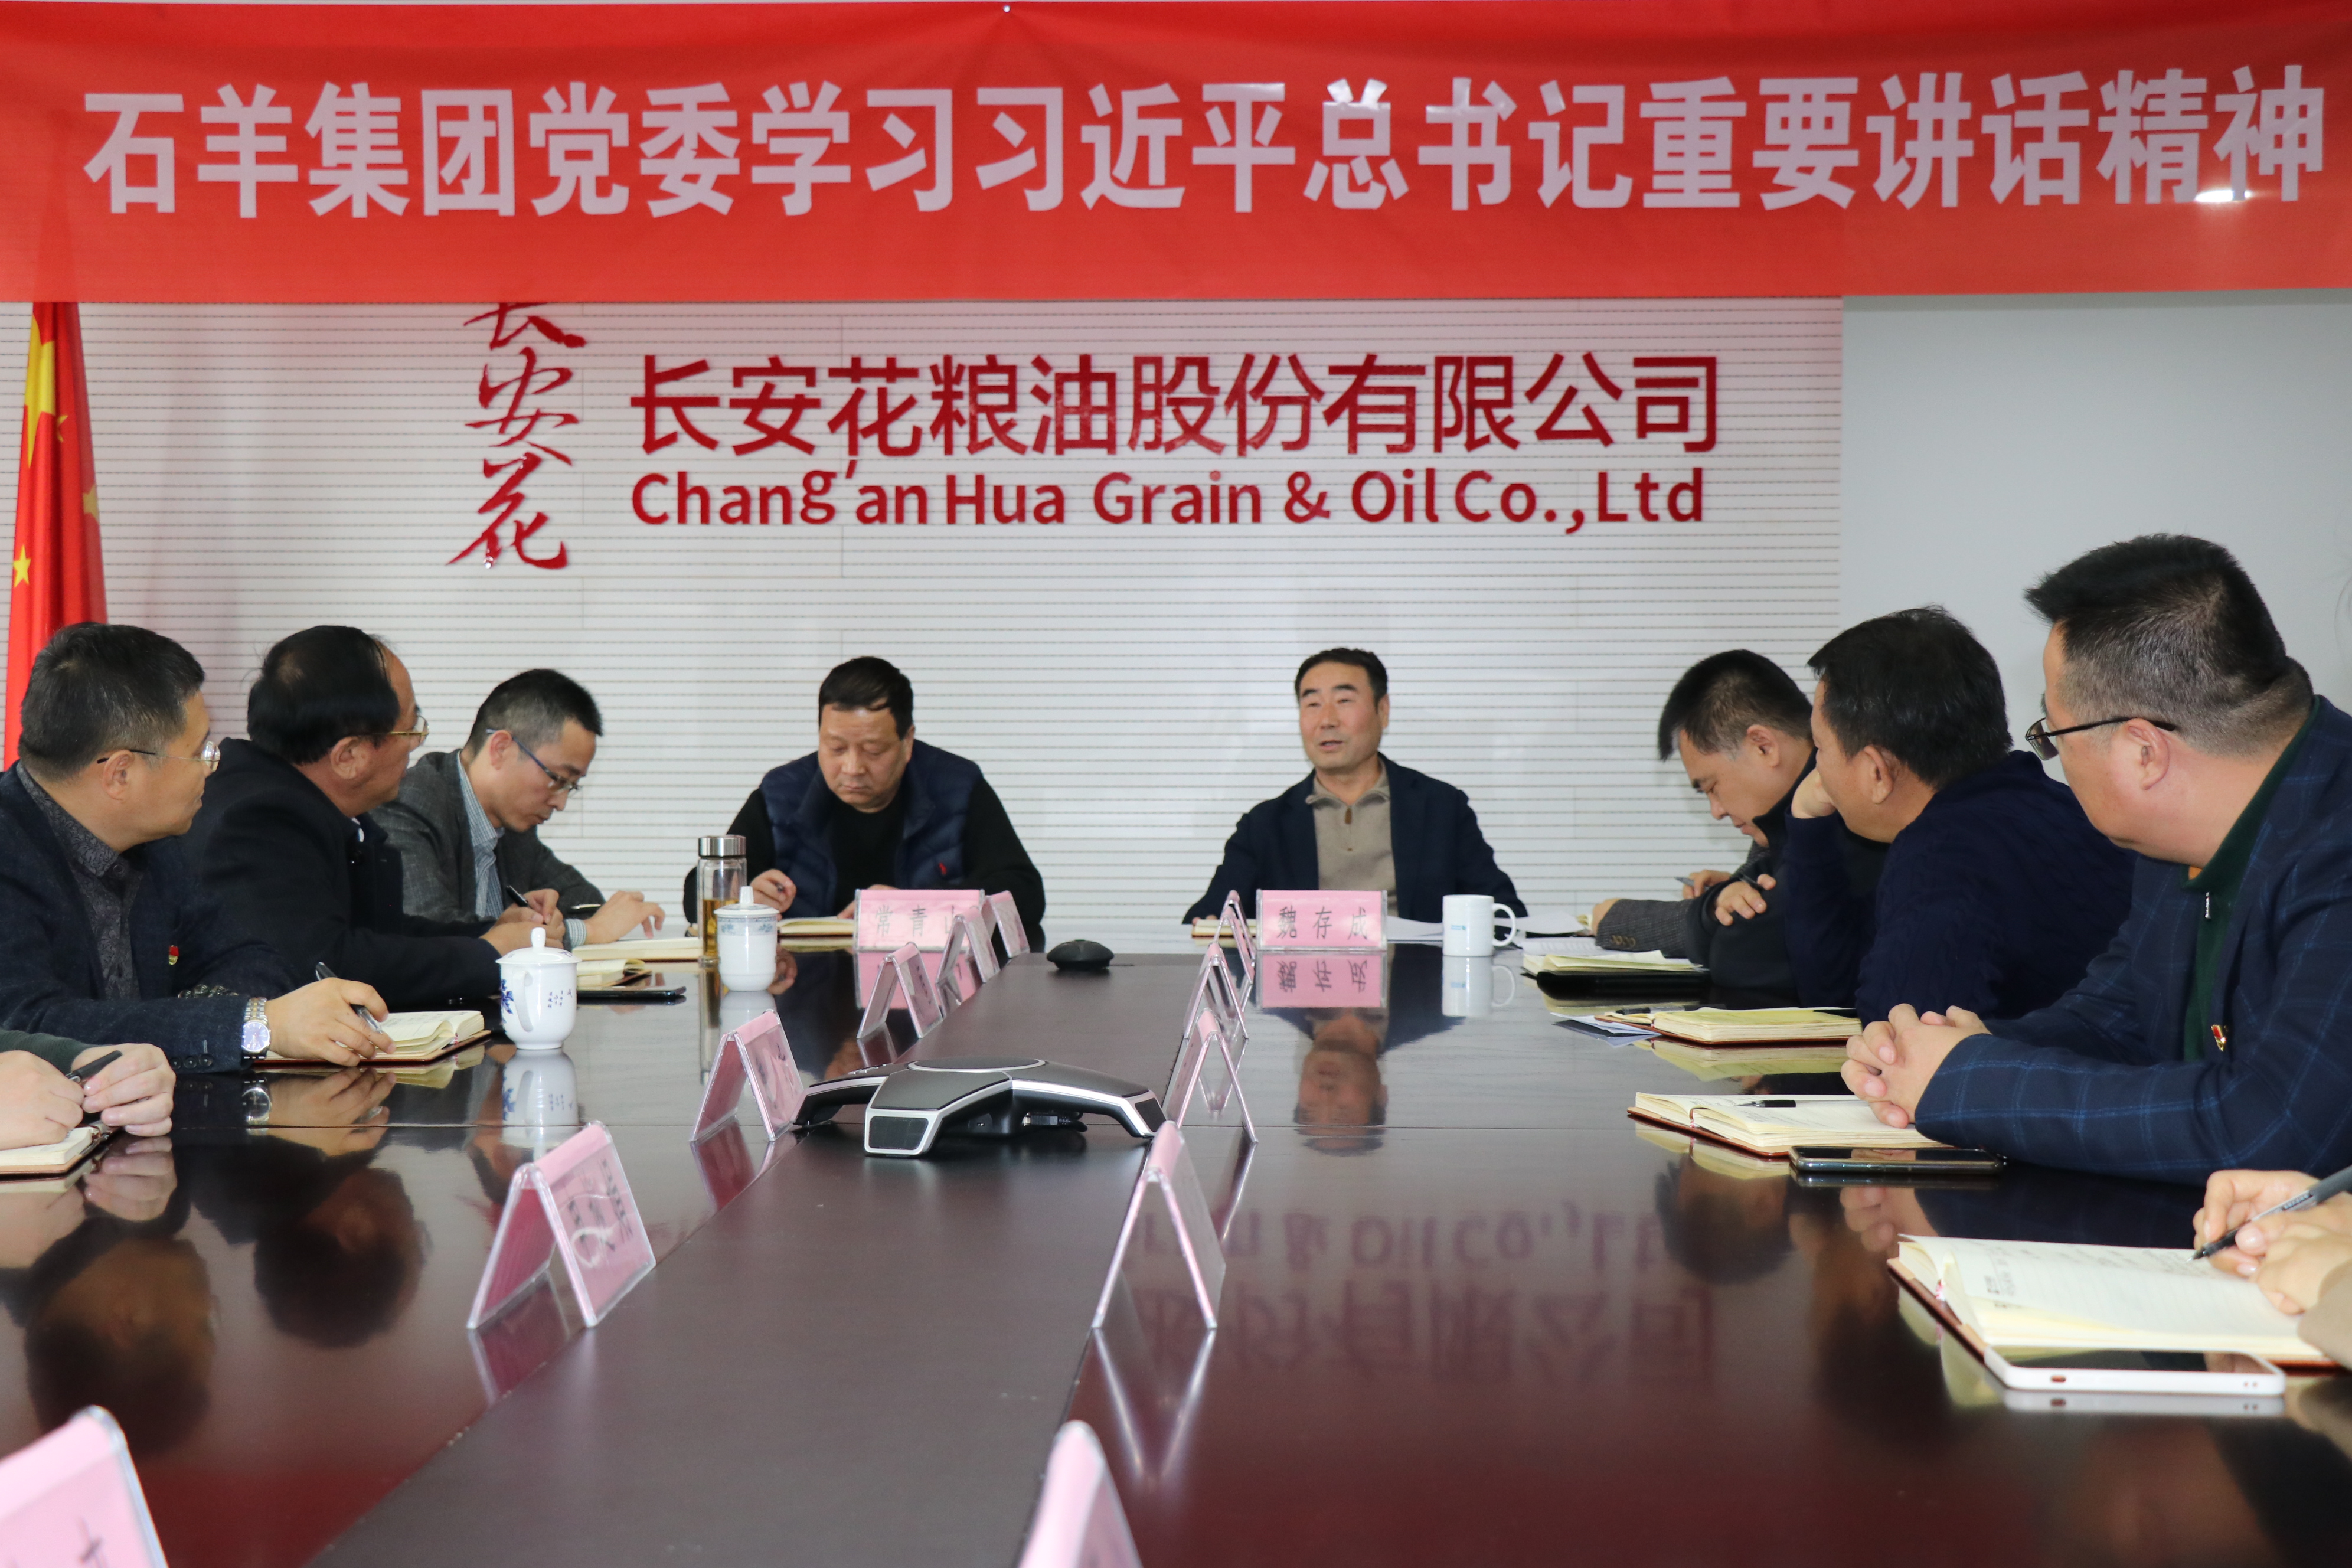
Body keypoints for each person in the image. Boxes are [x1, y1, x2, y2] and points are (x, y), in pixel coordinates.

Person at [1845, 535, 2352, 1180]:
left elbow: (2273, 1130)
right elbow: (2118, 1019)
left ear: (2144, 752)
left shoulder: (2337, 845)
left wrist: (1967, 1080)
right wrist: (1947, 1050)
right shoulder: (2177, 838)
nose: (2053, 758)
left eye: (2053, 735)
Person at [0, 622, 390, 1072]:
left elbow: (254, 960)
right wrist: (250, 1023)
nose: (212, 766)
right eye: (199, 751)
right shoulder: (10, 850)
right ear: (120, 775)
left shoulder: (155, 841)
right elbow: (29, 1027)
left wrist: (201, 1017)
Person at [1785, 606, 2131, 1024]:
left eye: (1821, 747)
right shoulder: (2053, 804)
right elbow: (1837, 992)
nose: (1818, 768)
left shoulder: (1941, 854)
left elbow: (1899, 1043)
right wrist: (1808, 826)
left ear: (1877, 772)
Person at [188, 626, 550, 1011]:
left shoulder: (310, 804)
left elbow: (381, 934)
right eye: (410, 729)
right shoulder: (258, 821)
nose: (416, 745)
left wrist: (493, 934)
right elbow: (327, 967)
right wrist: (488, 956)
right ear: (349, 756)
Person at [691, 656, 1047, 950]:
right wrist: (745, 897)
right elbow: (698, 891)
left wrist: (912, 907)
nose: (853, 767)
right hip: (805, 990)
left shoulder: (956, 787)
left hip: (931, 990)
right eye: (835, 748)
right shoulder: (782, 794)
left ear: (908, 742)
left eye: (873, 750)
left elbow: (1025, 895)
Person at [1590, 650, 1887, 999]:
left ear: (1763, 746)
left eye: (1712, 787)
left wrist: (1703, 912)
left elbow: (1742, 954)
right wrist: (1729, 894)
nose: (1716, 811)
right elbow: (1759, 921)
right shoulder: (1779, 822)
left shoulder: (1843, 810)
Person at [1184, 649, 1523, 925]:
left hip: (1416, 985)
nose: (1327, 720)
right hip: (1304, 988)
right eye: (1312, 704)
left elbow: (1505, 914)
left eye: (1344, 701)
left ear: (1383, 711)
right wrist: (1210, 925)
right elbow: (1206, 918)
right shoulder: (1264, 825)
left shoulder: (1441, 809)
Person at [377, 668, 662, 949]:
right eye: (558, 780)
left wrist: (562, 923)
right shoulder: (409, 803)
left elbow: (587, 902)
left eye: (571, 787)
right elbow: (427, 934)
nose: (561, 803)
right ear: (501, 748)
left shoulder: (515, 832)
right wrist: (585, 932)